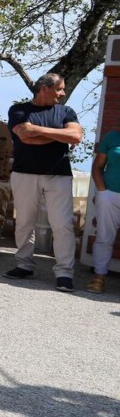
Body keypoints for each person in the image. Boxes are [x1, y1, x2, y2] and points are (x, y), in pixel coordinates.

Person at [5, 72, 83, 291]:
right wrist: (61, 135)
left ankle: (65, 273)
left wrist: (39, 133)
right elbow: (24, 134)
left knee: (62, 225)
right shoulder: (19, 110)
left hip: (58, 174)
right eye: (60, 89)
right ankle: (23, 265)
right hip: (24, 173)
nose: (63, 93)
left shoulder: (66, 111)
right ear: (45, 88)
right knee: (24, 222)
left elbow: (76, 137)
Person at [87, 124, 120, 294]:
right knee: (104, 236)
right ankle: (99, 277)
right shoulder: (112, 136)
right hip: (109, 195)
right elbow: (98, 166)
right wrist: (102, 191)